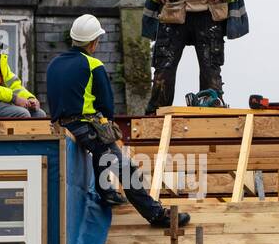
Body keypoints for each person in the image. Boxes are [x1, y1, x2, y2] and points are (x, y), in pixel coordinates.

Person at [45, 14, 190, 229]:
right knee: (124, 166)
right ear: (94, 42)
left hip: (61, 127)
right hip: (84, 126)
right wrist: (105, 124)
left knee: (103, 151)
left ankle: (107, 193)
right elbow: (106, 105)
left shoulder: (54, 64)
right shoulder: (93, 65)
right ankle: (156, 214)